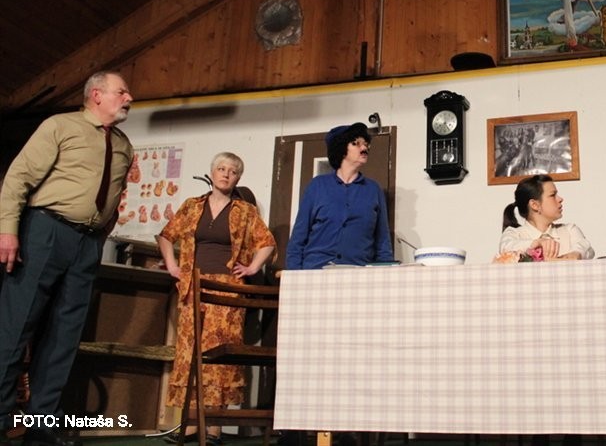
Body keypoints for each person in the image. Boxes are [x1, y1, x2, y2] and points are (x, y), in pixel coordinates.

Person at [0, 71, 134, 446]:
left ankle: (41, 427)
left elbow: (115, 196)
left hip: (87, 244)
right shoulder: (60, 126)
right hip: (45, 231)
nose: (129, 98)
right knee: (16, 327)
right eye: (122, 91)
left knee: (64, 337)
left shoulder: (123, 145)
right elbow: (18, 178)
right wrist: (8, 230)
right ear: (96, 94)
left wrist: (101, 233)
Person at [156, 152, 276, 445]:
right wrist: (173, 266)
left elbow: (267, 243)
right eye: (221, 169)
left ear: (238, 178)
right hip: (194, 288)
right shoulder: (192, 206)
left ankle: (214, 428)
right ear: (212, 173)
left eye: (232, 171)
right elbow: (166, 235)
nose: (226, 174)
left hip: (227, 291)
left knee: (219, 357)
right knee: (191, 354)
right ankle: (191, 424)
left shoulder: (244, 211)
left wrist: (252, 267)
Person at [286, 123, 393, 269]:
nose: (364, 148)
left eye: (366, 144)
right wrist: (294, 275)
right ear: (341, 148)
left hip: (357, 273)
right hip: (316, 271)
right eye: (356, 143)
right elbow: (299, 237)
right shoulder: (317, 186)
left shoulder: (373, 190)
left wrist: (385, 272)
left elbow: (383, 242)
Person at [499, 174, 594, 260]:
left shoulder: (570, 230)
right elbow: (505, 248)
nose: (560, 199)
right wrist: (536, 243)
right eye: (552, 195)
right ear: (535, 205)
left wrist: (576, 254)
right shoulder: (514, 234)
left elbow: (587, 248)